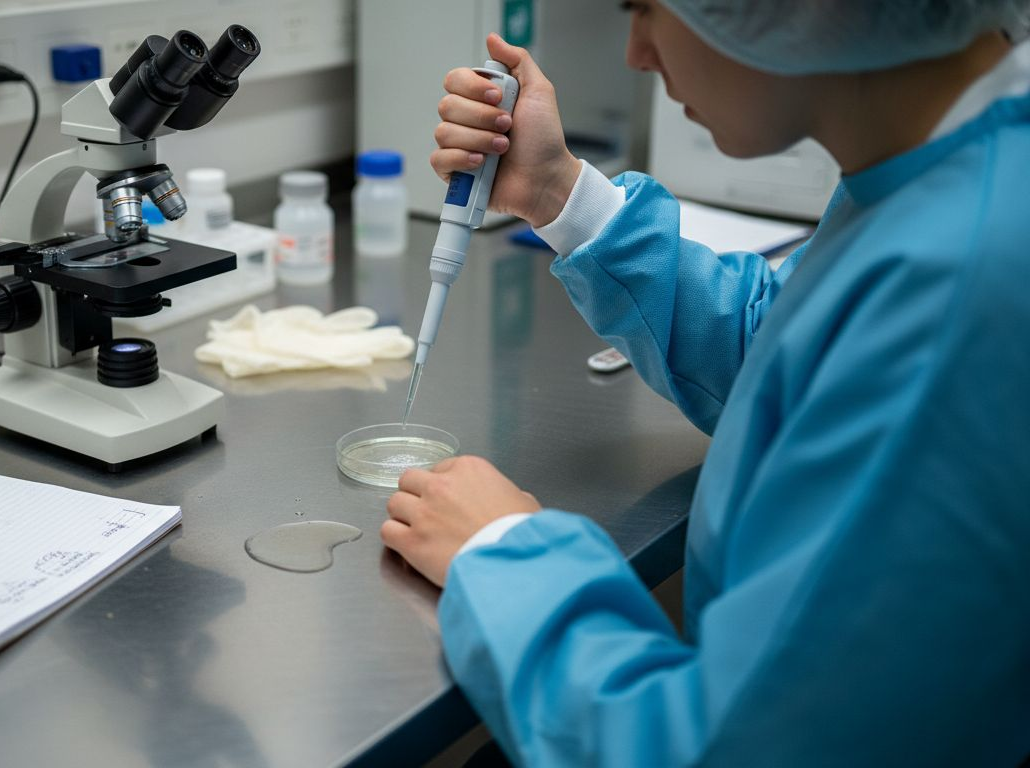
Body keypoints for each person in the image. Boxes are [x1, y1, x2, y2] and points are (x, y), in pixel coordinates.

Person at [379, 2, 1030, 765]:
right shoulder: (949, 166)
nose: (637, 54)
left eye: (648, 9)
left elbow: (719, 750)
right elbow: (789, 346)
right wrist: (557, 191)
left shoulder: (959, 282)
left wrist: (504, 552)